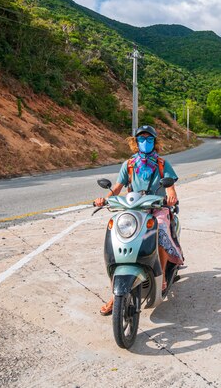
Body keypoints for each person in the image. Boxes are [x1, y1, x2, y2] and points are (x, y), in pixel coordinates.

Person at [93, 125, 184, 316]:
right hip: (133, 208)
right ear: (135, 142)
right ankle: (115, 294)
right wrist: (104, 199)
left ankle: (162, 277)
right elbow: (117, 188)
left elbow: (170, 188)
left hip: (157, 208)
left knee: (159, 228)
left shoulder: (162, 164)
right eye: (141, 139)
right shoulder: (129, 164)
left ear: (155, 142)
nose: (145, 142)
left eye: (149, 139)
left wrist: (171, 197)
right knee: (118, 233)